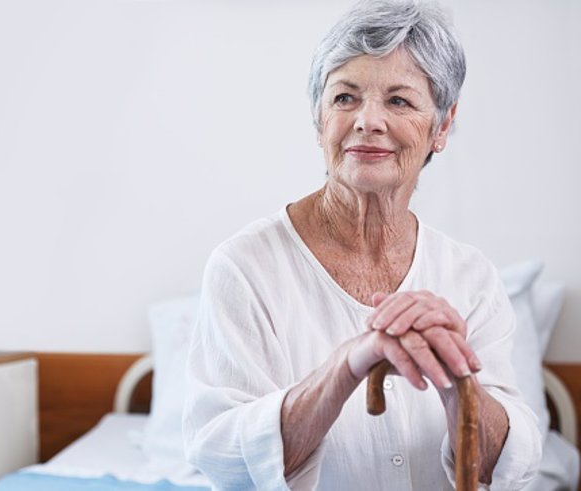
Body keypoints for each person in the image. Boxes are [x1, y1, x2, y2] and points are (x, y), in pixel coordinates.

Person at [182, 1, 541, 489]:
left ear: (442, 126)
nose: (368, 120)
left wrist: (456, 380)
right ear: (318, 118)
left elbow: (509, 467)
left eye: (399, 101)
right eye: (345, 97)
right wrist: (346, 367)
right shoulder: (243, 267)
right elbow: (224, 458)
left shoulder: (472, 278)